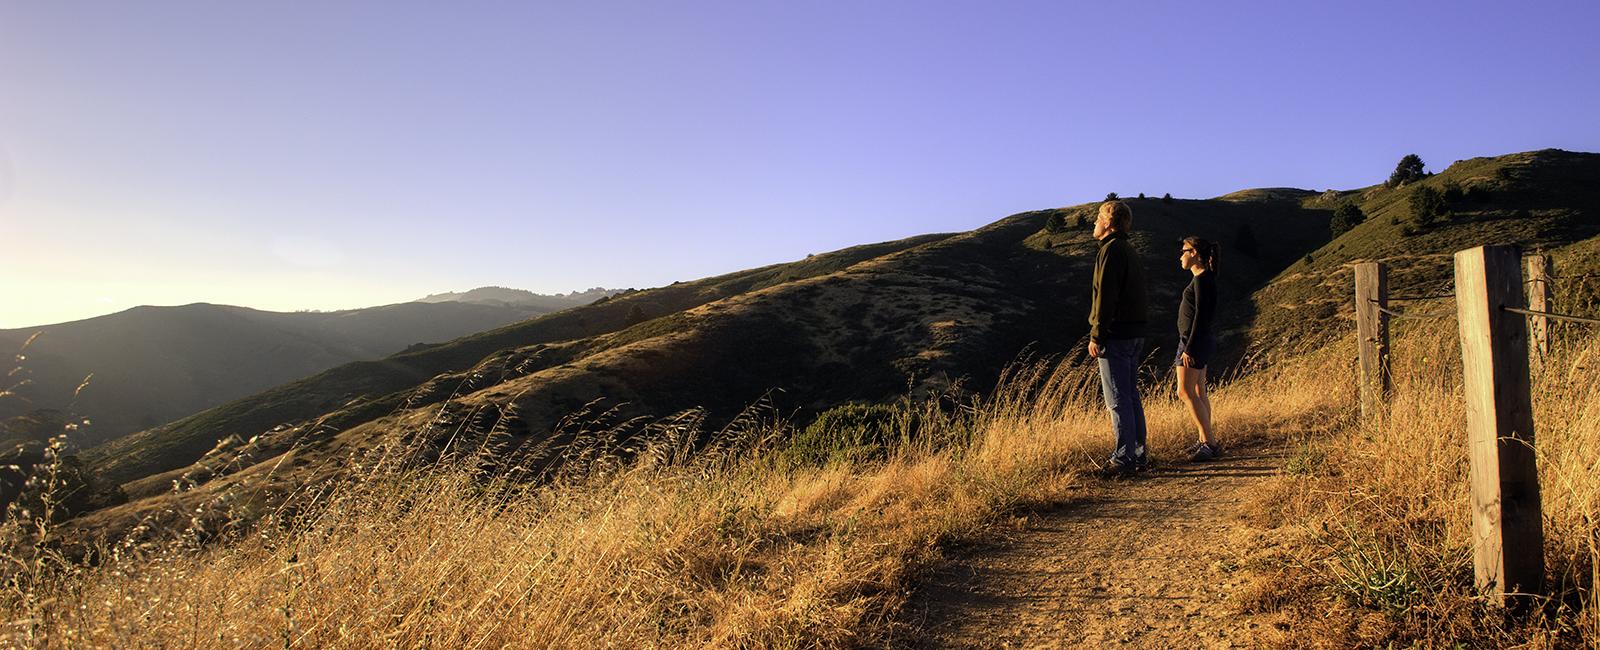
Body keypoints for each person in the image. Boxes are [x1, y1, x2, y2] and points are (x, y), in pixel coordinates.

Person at [1088, 200, 1149, 476]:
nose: (1094, 223)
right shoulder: (1129, 250)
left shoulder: (1110, 251)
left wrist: (1097, 334)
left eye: (1098, 218)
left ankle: (1124, 459)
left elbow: (1106, 297)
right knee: (1131, 395)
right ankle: (1137, 453)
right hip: (1135, 332)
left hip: (1116, 335)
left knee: (1117, 399)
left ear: (1108, 223)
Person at [1175, 237, 1220, 461]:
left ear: (1193, 252)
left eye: (1184, 251)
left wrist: (1189, 347)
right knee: (1199, 391)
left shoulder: (1201, 280)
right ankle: (1205, 440)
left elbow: (1201, 317)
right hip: (1199, 340)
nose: (1180, 256)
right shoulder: (1204, 278)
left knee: (1184, 391)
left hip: (1193, 341)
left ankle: (1209, 442)